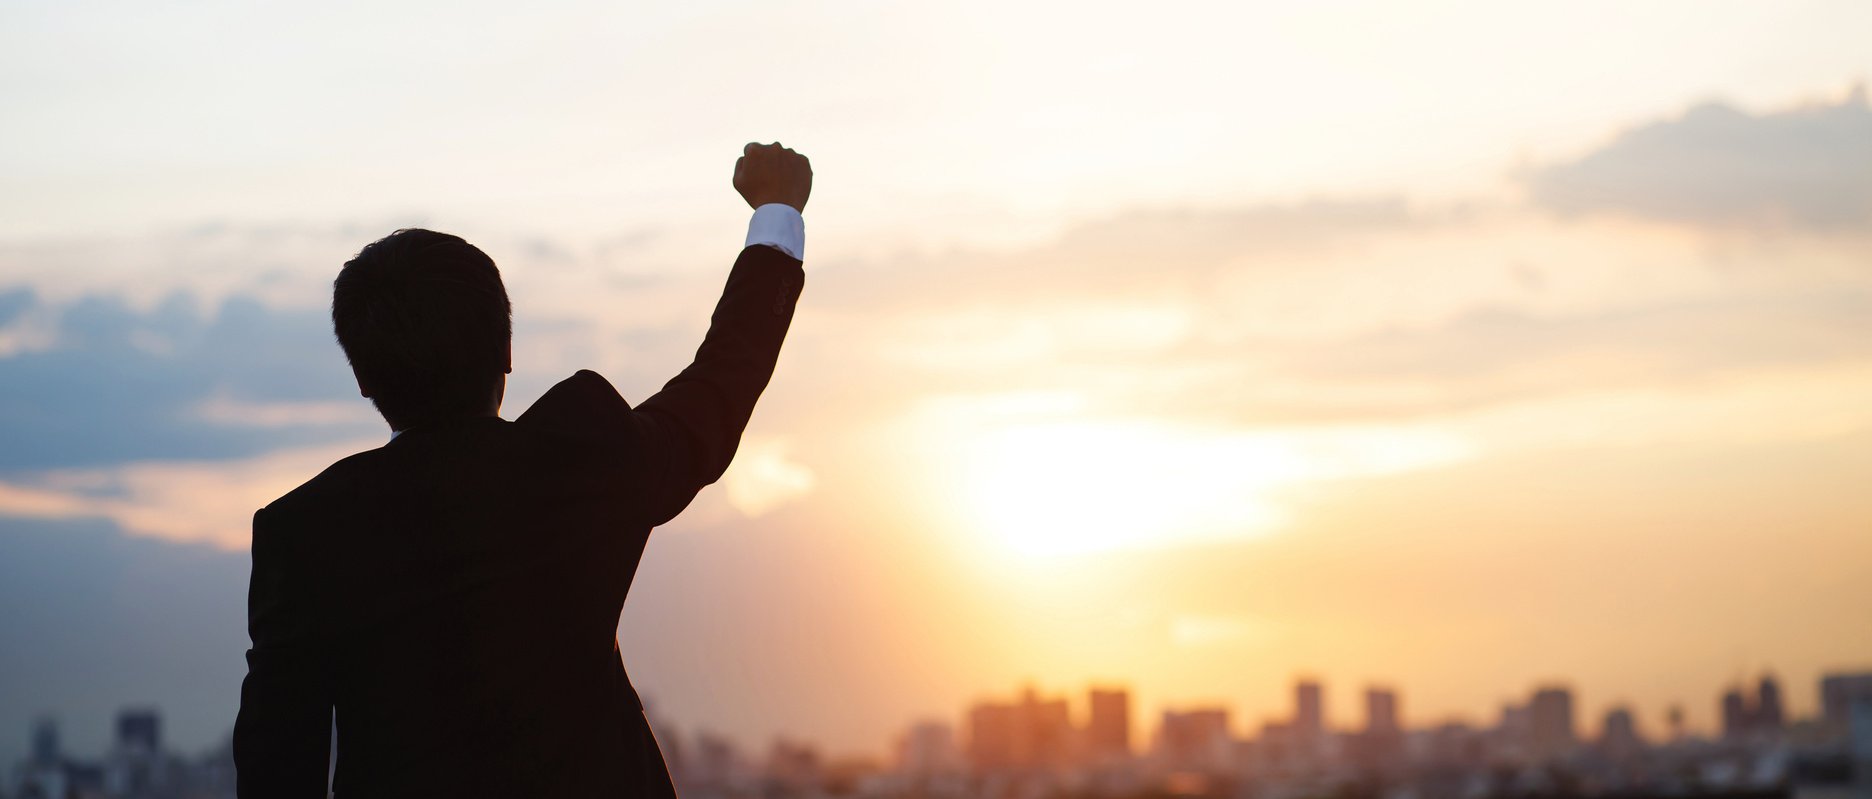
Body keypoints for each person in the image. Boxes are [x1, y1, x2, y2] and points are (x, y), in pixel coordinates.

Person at [233, 142, 813, 797]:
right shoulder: (578, 459)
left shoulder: (304, 531)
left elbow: (276, 767)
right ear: (506, 349)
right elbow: (717, 387)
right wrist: (776, 212)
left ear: (364, 378)